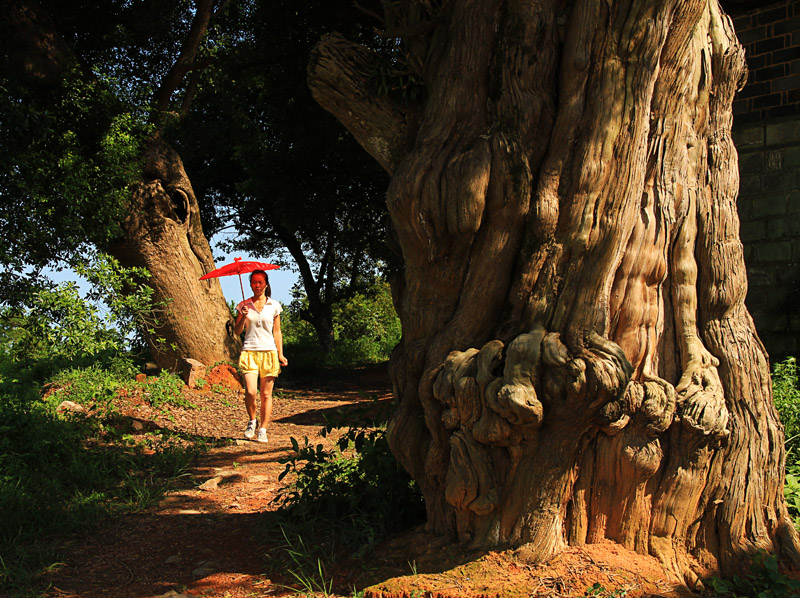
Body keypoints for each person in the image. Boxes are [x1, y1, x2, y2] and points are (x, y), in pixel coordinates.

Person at [234, 269, 288, 442]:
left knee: (266, 395)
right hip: (249, 351)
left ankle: (263, 429)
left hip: (269, 352)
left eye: (260, 282)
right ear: (250, 284)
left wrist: (280, 354)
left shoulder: (274, 305)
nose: (257, 285)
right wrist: (242, 316)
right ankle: (252, 421)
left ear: (266, 284)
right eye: (254, 282)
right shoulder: (243, 304)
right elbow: (237, 331)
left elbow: (277, 332)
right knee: (250, 392)